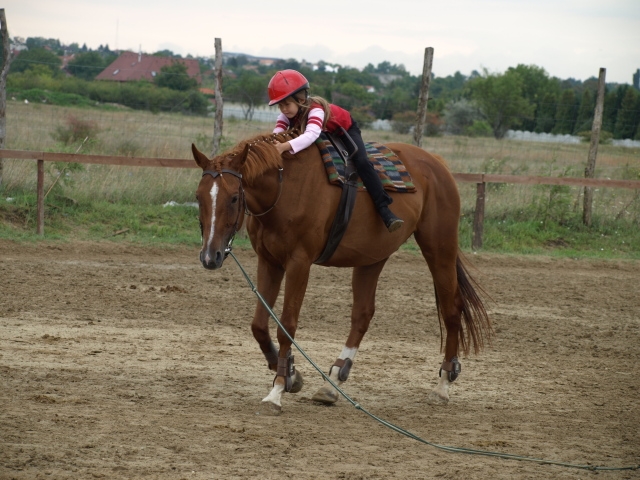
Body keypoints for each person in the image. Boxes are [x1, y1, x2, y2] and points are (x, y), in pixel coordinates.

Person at [267, 69, 404, 233]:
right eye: (280, 105)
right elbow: (277, 134)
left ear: (301, 99)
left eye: (286, 104)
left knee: (361, 161)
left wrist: (283, 147)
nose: (283, 109)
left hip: (345, 130)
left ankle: (385, 210)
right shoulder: (286, 114)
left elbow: (311, 134)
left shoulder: (315, 110)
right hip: (323, 131)